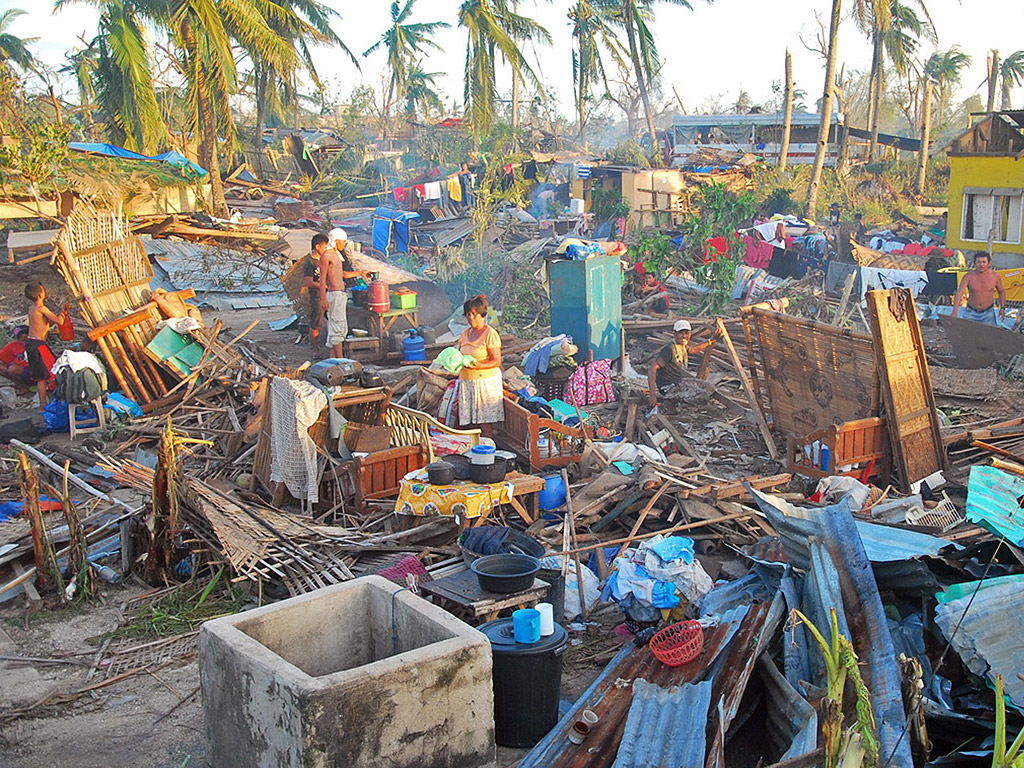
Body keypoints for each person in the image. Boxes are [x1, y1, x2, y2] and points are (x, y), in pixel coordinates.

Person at [319, 228, 371, 358]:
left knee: (337, 327)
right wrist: (323, 298)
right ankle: (340, 359)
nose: (343, 245)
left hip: (341, 293)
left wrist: (360, 273)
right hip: (334, 294)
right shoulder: (326, 255)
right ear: (336, 241)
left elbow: (343, 274)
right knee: (337, 327)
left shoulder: (337, 255)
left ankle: (333, 359)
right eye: (342, 242)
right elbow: (322, 278)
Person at [458, 295, 503, 437]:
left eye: (474, 314)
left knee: (485, 423)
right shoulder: (465, 334)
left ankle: (488, 450)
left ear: (482, 315)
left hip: (485, 383)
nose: (471, 318)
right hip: (467, 382)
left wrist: (478, 365)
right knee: (470, 422)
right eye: (468, 315)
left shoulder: (490, 334)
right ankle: (472, 451)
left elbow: (496, 361)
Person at [647, 319, 719, 407]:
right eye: (681, 333)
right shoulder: (669, 350)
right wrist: (653, 394)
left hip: (679, 382)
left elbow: (693, 350)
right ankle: (674, 402)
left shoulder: (682, 347)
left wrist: (711, 340)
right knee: (702, 395)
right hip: (669, 387)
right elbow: (652, 370)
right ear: (674, 333)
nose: (684, 336)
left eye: (686, 333)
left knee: (710, 387)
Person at [25, 282, 65, 411]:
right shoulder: (42, 309)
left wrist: (57, 316)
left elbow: (44, 325)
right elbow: (60, 322)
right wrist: (62, 314)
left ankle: (44, 403)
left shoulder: (32, 309)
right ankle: (47, 403)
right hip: (38, 345)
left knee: (41, 376)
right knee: (51, 371)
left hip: (32, 343)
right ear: (40, 294)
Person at [952, 251, 1006, 326]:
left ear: (989, 263)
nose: (981, 265)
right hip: (971, 312)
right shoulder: (968, 276)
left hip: (988, 313)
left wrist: (1002, 308)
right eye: (979, 262)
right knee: (966, 335)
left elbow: (1002, 291)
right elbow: (960, 292)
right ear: (975, 263)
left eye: (984, 262)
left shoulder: (995, 276)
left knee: (989, 335)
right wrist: (955, 311)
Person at [304, 233, 329, 358]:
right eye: (324, 247)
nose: (326, 250)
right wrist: (323, 286)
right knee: (316, 323)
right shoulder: (310, 263)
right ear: (317, 246)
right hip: (317, 296)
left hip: (327, 295)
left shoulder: (324, 260)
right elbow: (309, 281)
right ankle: (315, 350)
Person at [0, 325, 33, 389]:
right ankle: (21, 385)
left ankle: (25, 386)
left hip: (33, 372)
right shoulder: (13, 346)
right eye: (23, 339)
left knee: (13, 369)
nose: (25, 340)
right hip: (19, 370)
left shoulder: (35, 345)